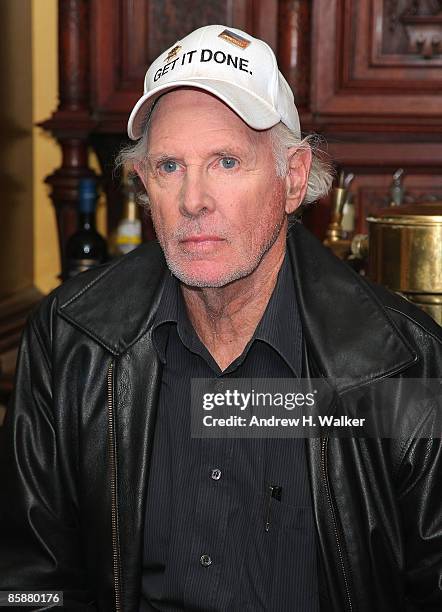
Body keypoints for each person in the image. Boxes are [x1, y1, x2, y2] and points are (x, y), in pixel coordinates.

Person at [0, 24, 441, 612]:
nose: (193, 200)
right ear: (143, 184)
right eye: (169, 167)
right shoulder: (71, 340)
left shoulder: (396, 362)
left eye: (226, 162)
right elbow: (28, 584)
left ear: (291, 177)